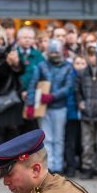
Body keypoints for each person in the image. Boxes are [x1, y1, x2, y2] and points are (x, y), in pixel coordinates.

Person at [26, 39, 74, 174]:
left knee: (59, 138)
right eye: (51, 52)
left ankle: (58, 166)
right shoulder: (41, 66)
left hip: (60, 107)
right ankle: (49, 166)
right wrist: (30, 104)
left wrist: (53, 96)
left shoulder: (68, 67)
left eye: (56, 52)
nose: (54, 55)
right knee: (47, 139)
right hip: (43, 107)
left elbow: (68, 87)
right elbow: (33, 85)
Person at [77, 46, 97, 179]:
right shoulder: (82, 73)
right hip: (86, 112)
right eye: (90, 55)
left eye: (95, 55)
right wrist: (80, 102)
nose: (93, 58)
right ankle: (87, 167)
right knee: (87, 142)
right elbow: (77, 90)